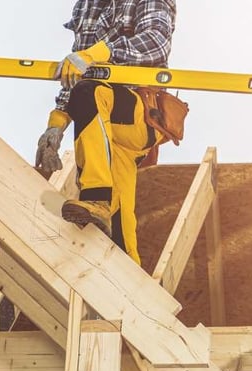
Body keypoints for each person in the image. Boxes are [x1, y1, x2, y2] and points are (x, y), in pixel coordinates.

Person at [35, 0, 176, 266]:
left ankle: (97, 196)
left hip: (138, 114)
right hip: (104, 128)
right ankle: (133, 296)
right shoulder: (87, 7)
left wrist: (97, 53)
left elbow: (156, 42)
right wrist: (56, 124)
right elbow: (75, 73)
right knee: (119, 234)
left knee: (89, 90)